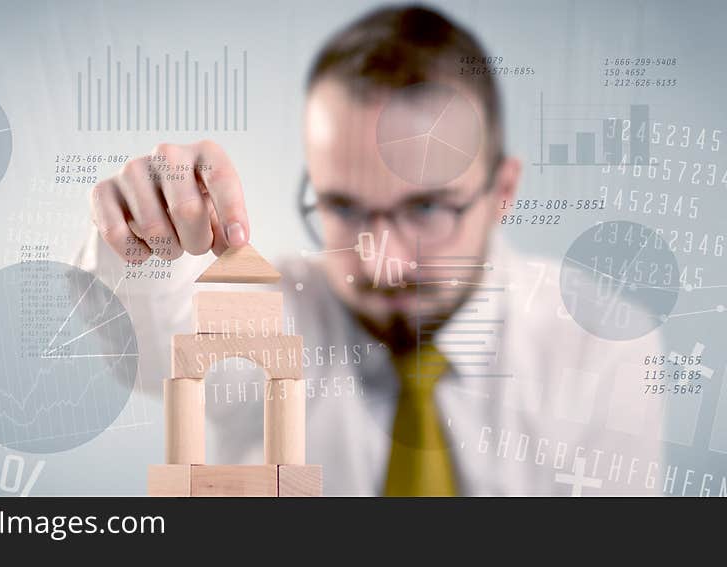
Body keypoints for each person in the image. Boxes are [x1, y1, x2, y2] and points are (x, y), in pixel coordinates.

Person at [76, 4, 664, 495]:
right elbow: (153, 346)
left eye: (428, 209)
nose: (387, 259)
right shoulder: (279, 314)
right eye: (346, 208)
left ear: (502, 192)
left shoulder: (601, 347)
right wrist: (148, 239)